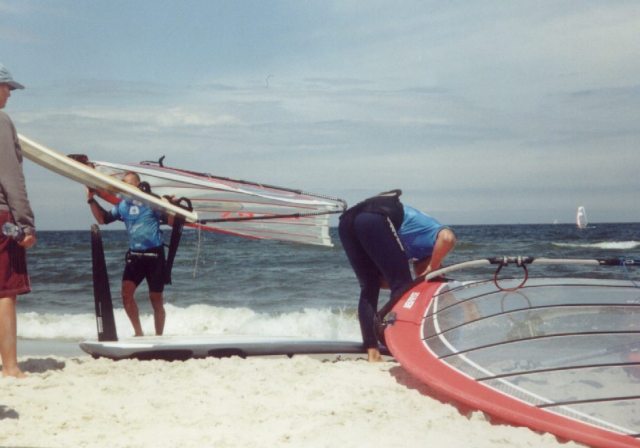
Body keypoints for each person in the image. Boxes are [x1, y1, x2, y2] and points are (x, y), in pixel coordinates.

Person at [339, 190, 456, 362]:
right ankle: (408, 348)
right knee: (403, 287)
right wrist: (433, 266)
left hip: (347, 222)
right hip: (376, 216)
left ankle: (373, 351)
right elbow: (448, 238)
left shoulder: (405, 250)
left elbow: (383, 281)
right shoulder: (430, 239)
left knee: (369, 286)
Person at [87, 172, 173, 336]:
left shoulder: (151, 203)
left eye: (127, 183)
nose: (124, 186)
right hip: (135, 256)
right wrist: (91, 199)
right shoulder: (123, 205)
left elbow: (171, 221)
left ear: (137, 185)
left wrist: (169, 205)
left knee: (156, 300)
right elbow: (102, 219)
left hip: (155, 256)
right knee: (126, 295)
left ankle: (159, 336)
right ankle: (139, 333)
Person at [0, 63, 36, 378]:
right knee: (5, 292)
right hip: (0, 216)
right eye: (7, 87)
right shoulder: (1, 121)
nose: (10, 94)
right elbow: (11, 178)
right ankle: (10, 367)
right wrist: (26, 223)